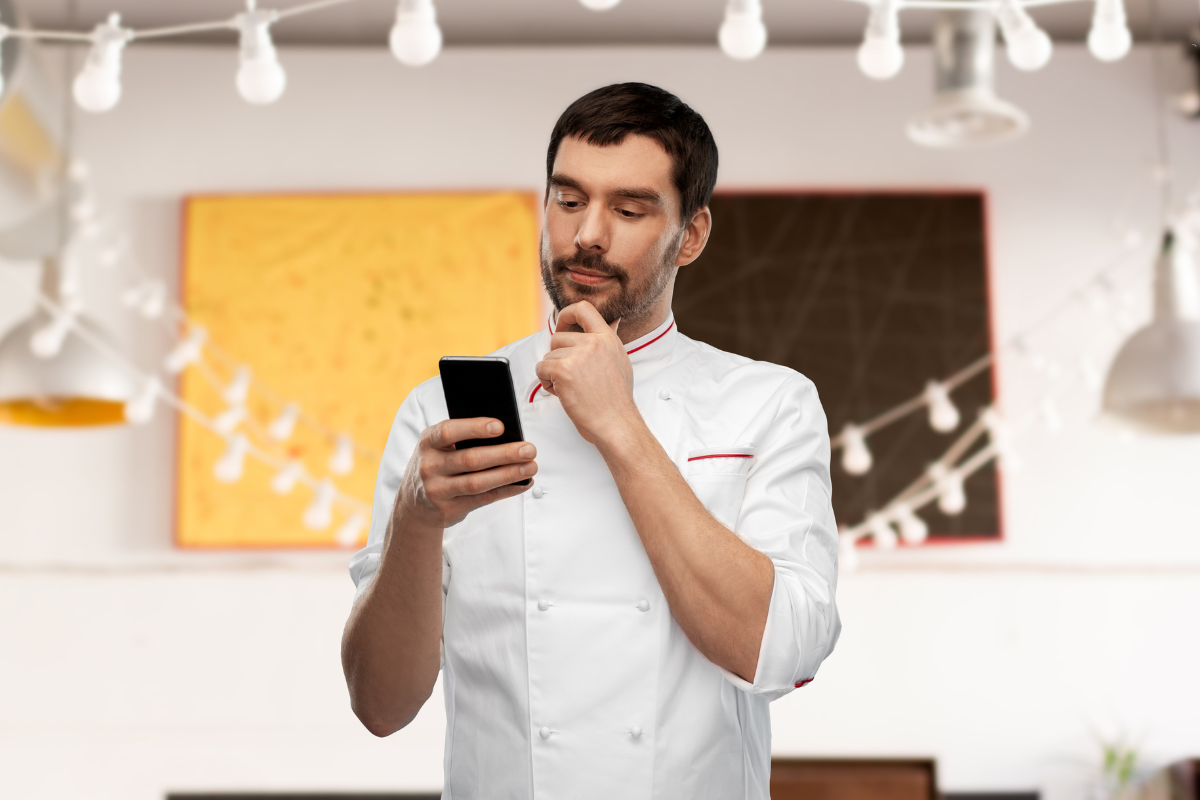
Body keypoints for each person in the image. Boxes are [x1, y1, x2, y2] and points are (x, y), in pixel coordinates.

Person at [342, 82, 841, 800]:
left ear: (691, 235)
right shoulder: (441, 410)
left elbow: (784, 653)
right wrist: (417, 518)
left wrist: (618, 424)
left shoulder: (769, 404)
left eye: (629, 210)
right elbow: (379, 706)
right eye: (568, 200)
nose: (587, 235)